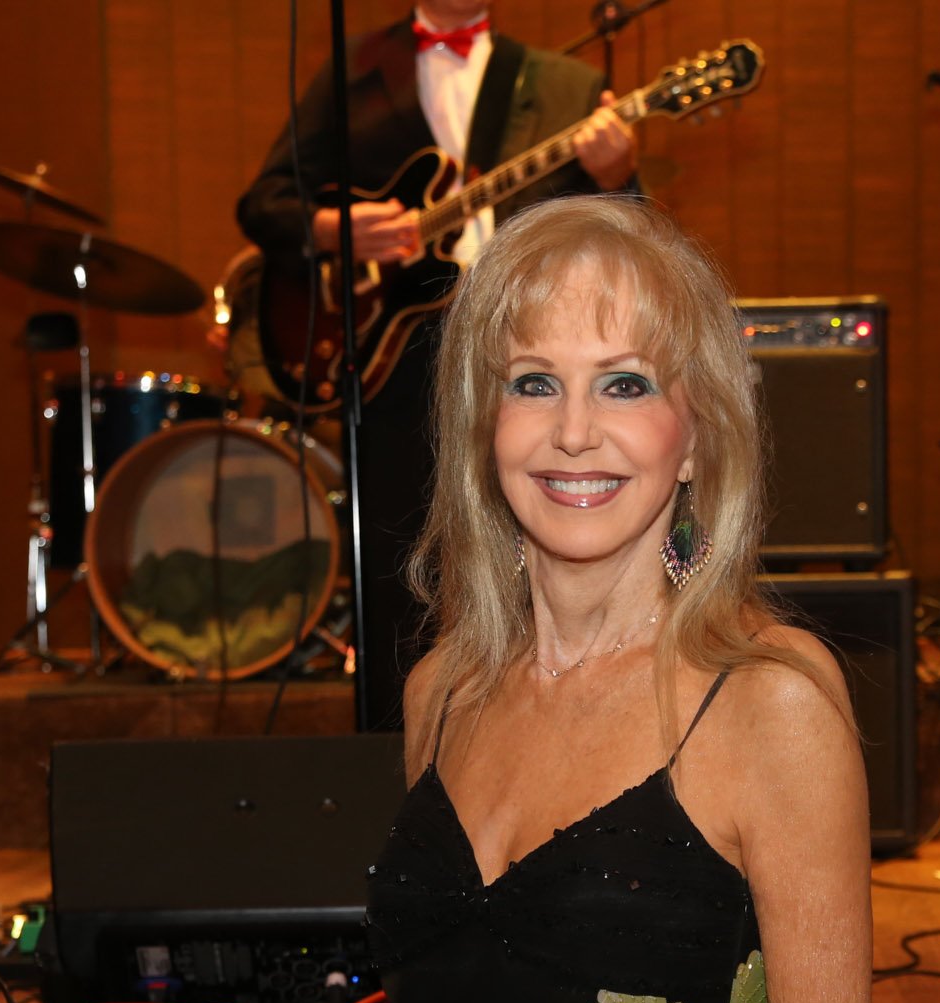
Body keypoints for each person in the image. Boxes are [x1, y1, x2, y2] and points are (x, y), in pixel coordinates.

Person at [251, 196, 887, 1003]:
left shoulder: (766, 702)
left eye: (626, 382)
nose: (575, 431)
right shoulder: (442, 694)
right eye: (533, 381)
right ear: (481, 423)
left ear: (696, 436)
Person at [236, 3, 638, 731]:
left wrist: (617, 177)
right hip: (394, 360)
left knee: (531, 562)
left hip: (526, 355)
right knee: (399, 572)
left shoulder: (561, 86)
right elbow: (263, 201)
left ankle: (540, 742)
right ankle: (396, 753)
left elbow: (619, 238)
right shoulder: (354, 65)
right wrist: (332, 230)